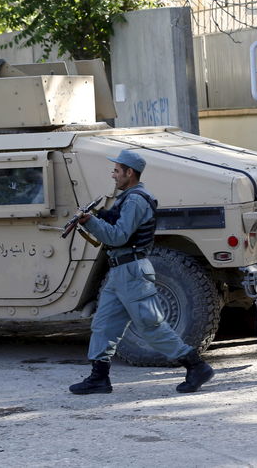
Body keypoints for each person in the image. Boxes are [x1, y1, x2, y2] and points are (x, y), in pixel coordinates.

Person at [69, 150, 214, 395]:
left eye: (117, 170)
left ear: (130, 173)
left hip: (132, 271)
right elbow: (117, 226)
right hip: (120, 272)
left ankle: (196, 367)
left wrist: (90, 222)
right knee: (103, 325)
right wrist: (97, 217)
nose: (113, 175)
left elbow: (118, 236)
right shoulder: (129, 197)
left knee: (151, 325)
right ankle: (99, 378)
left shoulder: (136, 199)